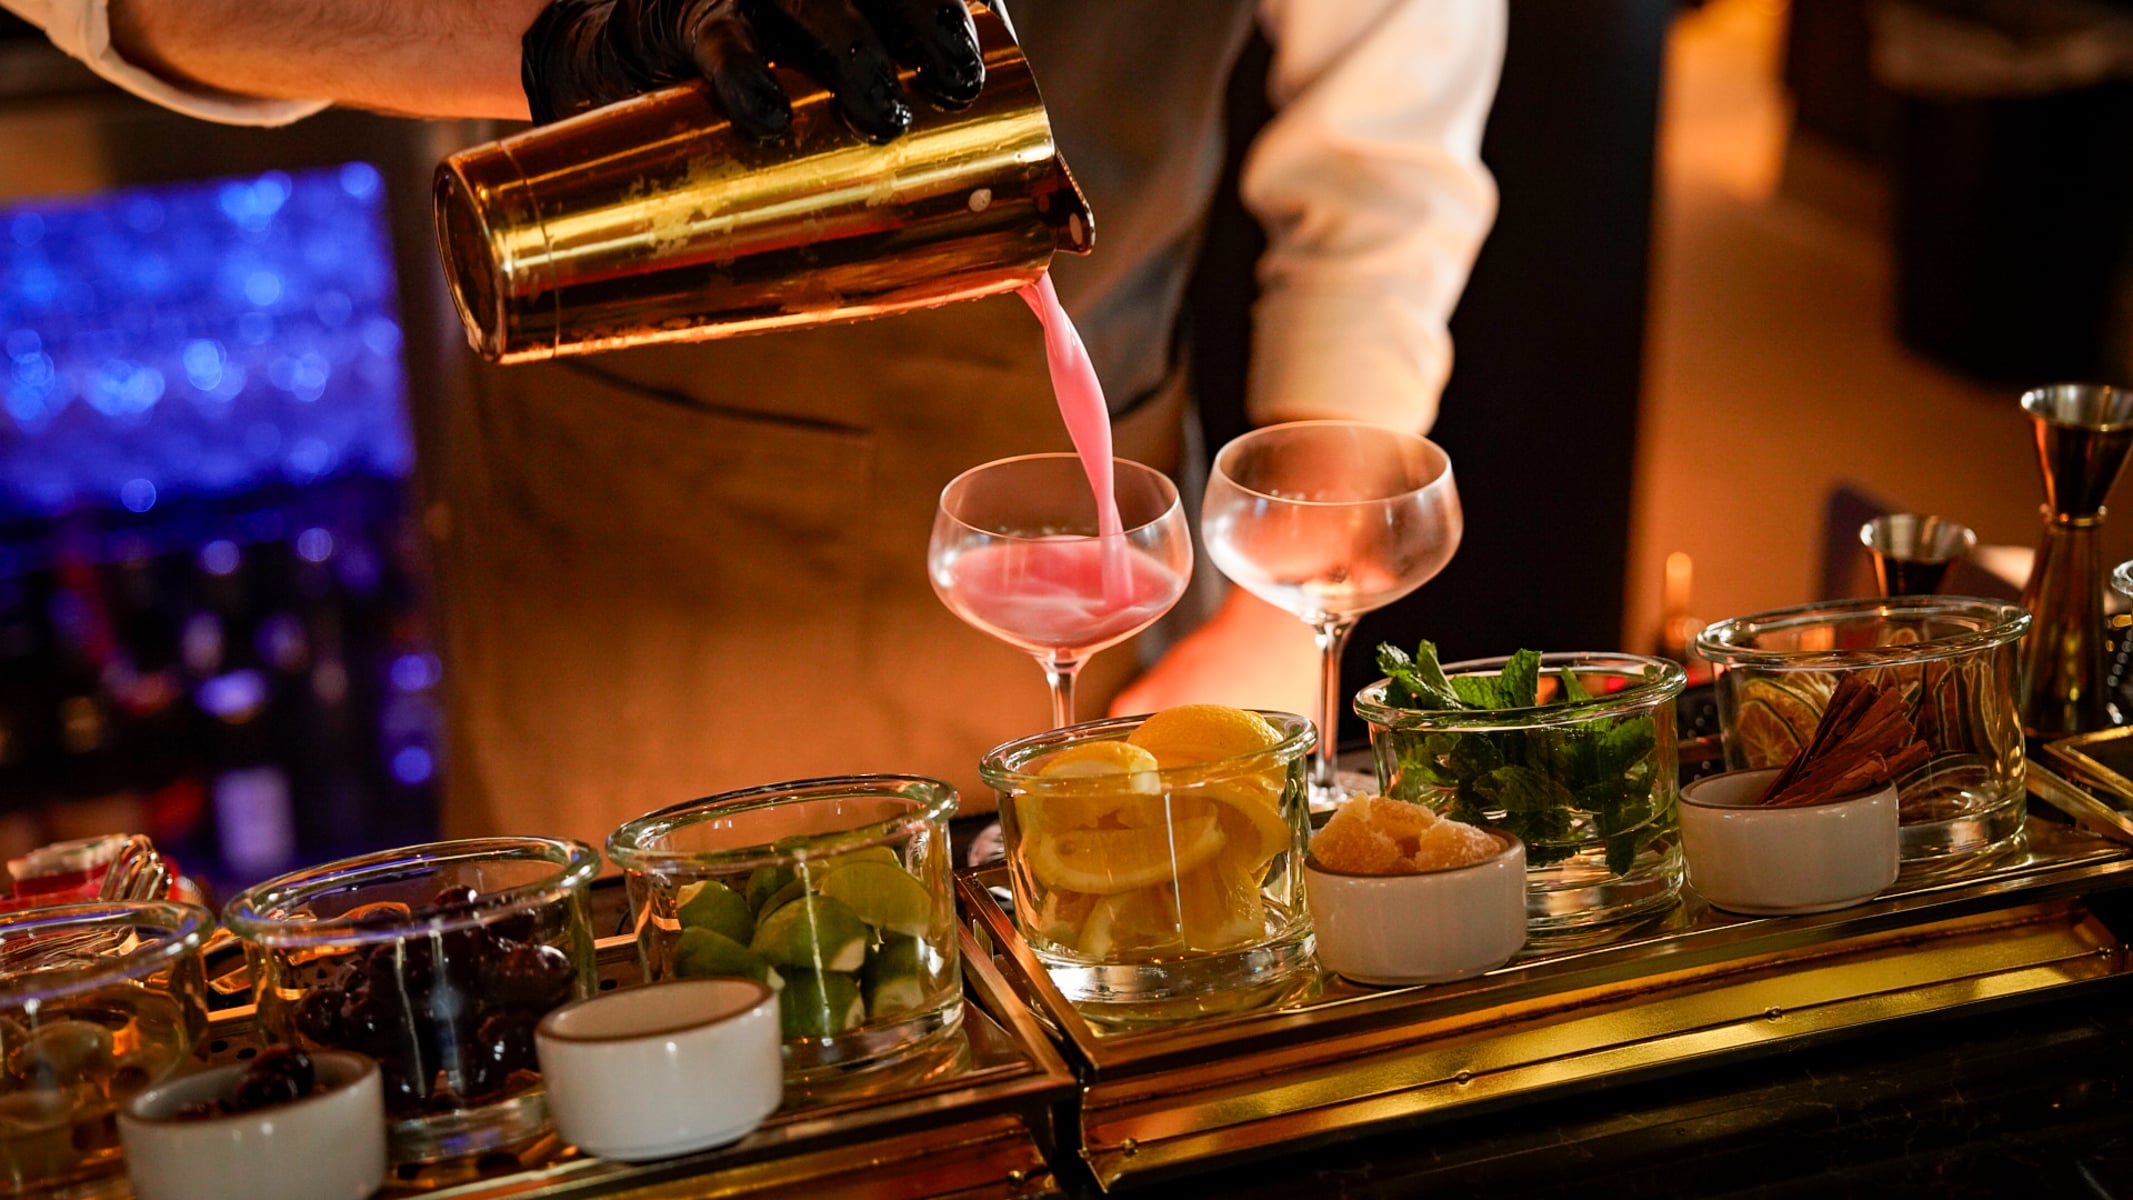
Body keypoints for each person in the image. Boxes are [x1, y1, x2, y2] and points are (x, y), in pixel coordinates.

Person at [2, 0, 1504, 851]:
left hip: (1105, 549)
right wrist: (558, 29)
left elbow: (1381, 179)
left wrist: (1273, 610)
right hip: (621, 555)